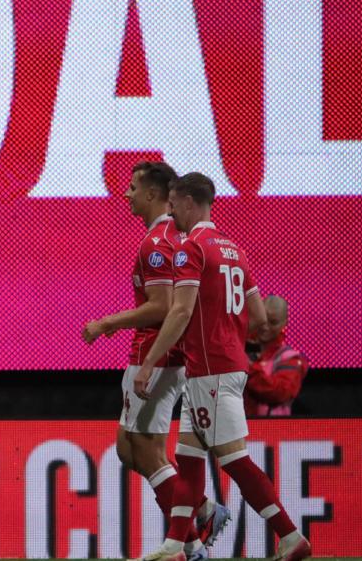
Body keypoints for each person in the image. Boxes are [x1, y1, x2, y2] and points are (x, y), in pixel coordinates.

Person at [133, 173, 311, 561]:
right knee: (190, 456)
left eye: (175, 204)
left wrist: (148, 364)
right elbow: (261, 318)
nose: (172, 211)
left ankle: (290, 535)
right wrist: (227, 329)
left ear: (189, 202)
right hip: (229, 365)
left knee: (234, 459)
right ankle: (176, 545)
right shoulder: (235, 249)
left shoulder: (191, 247)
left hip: (210, 369)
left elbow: (179, 310)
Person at [82, 162, 224, 557]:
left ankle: (192, 535)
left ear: (151, 195)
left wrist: (107, 322)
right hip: (161, 354)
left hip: (156, 355)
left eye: (131, 188)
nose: (125, 194)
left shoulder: (158, 243)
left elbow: (163, 307)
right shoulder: (168, 237)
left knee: (144, 451)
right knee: (130, 449)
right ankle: (198, 516)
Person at [244, 296, 309, 417]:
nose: (265, 326)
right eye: (263, 319)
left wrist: (248, 367)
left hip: (271, 430)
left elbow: (279, 392)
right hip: (232, 427)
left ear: (285, 322)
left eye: (273, 322)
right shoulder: (239, 345)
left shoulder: (291, 358)